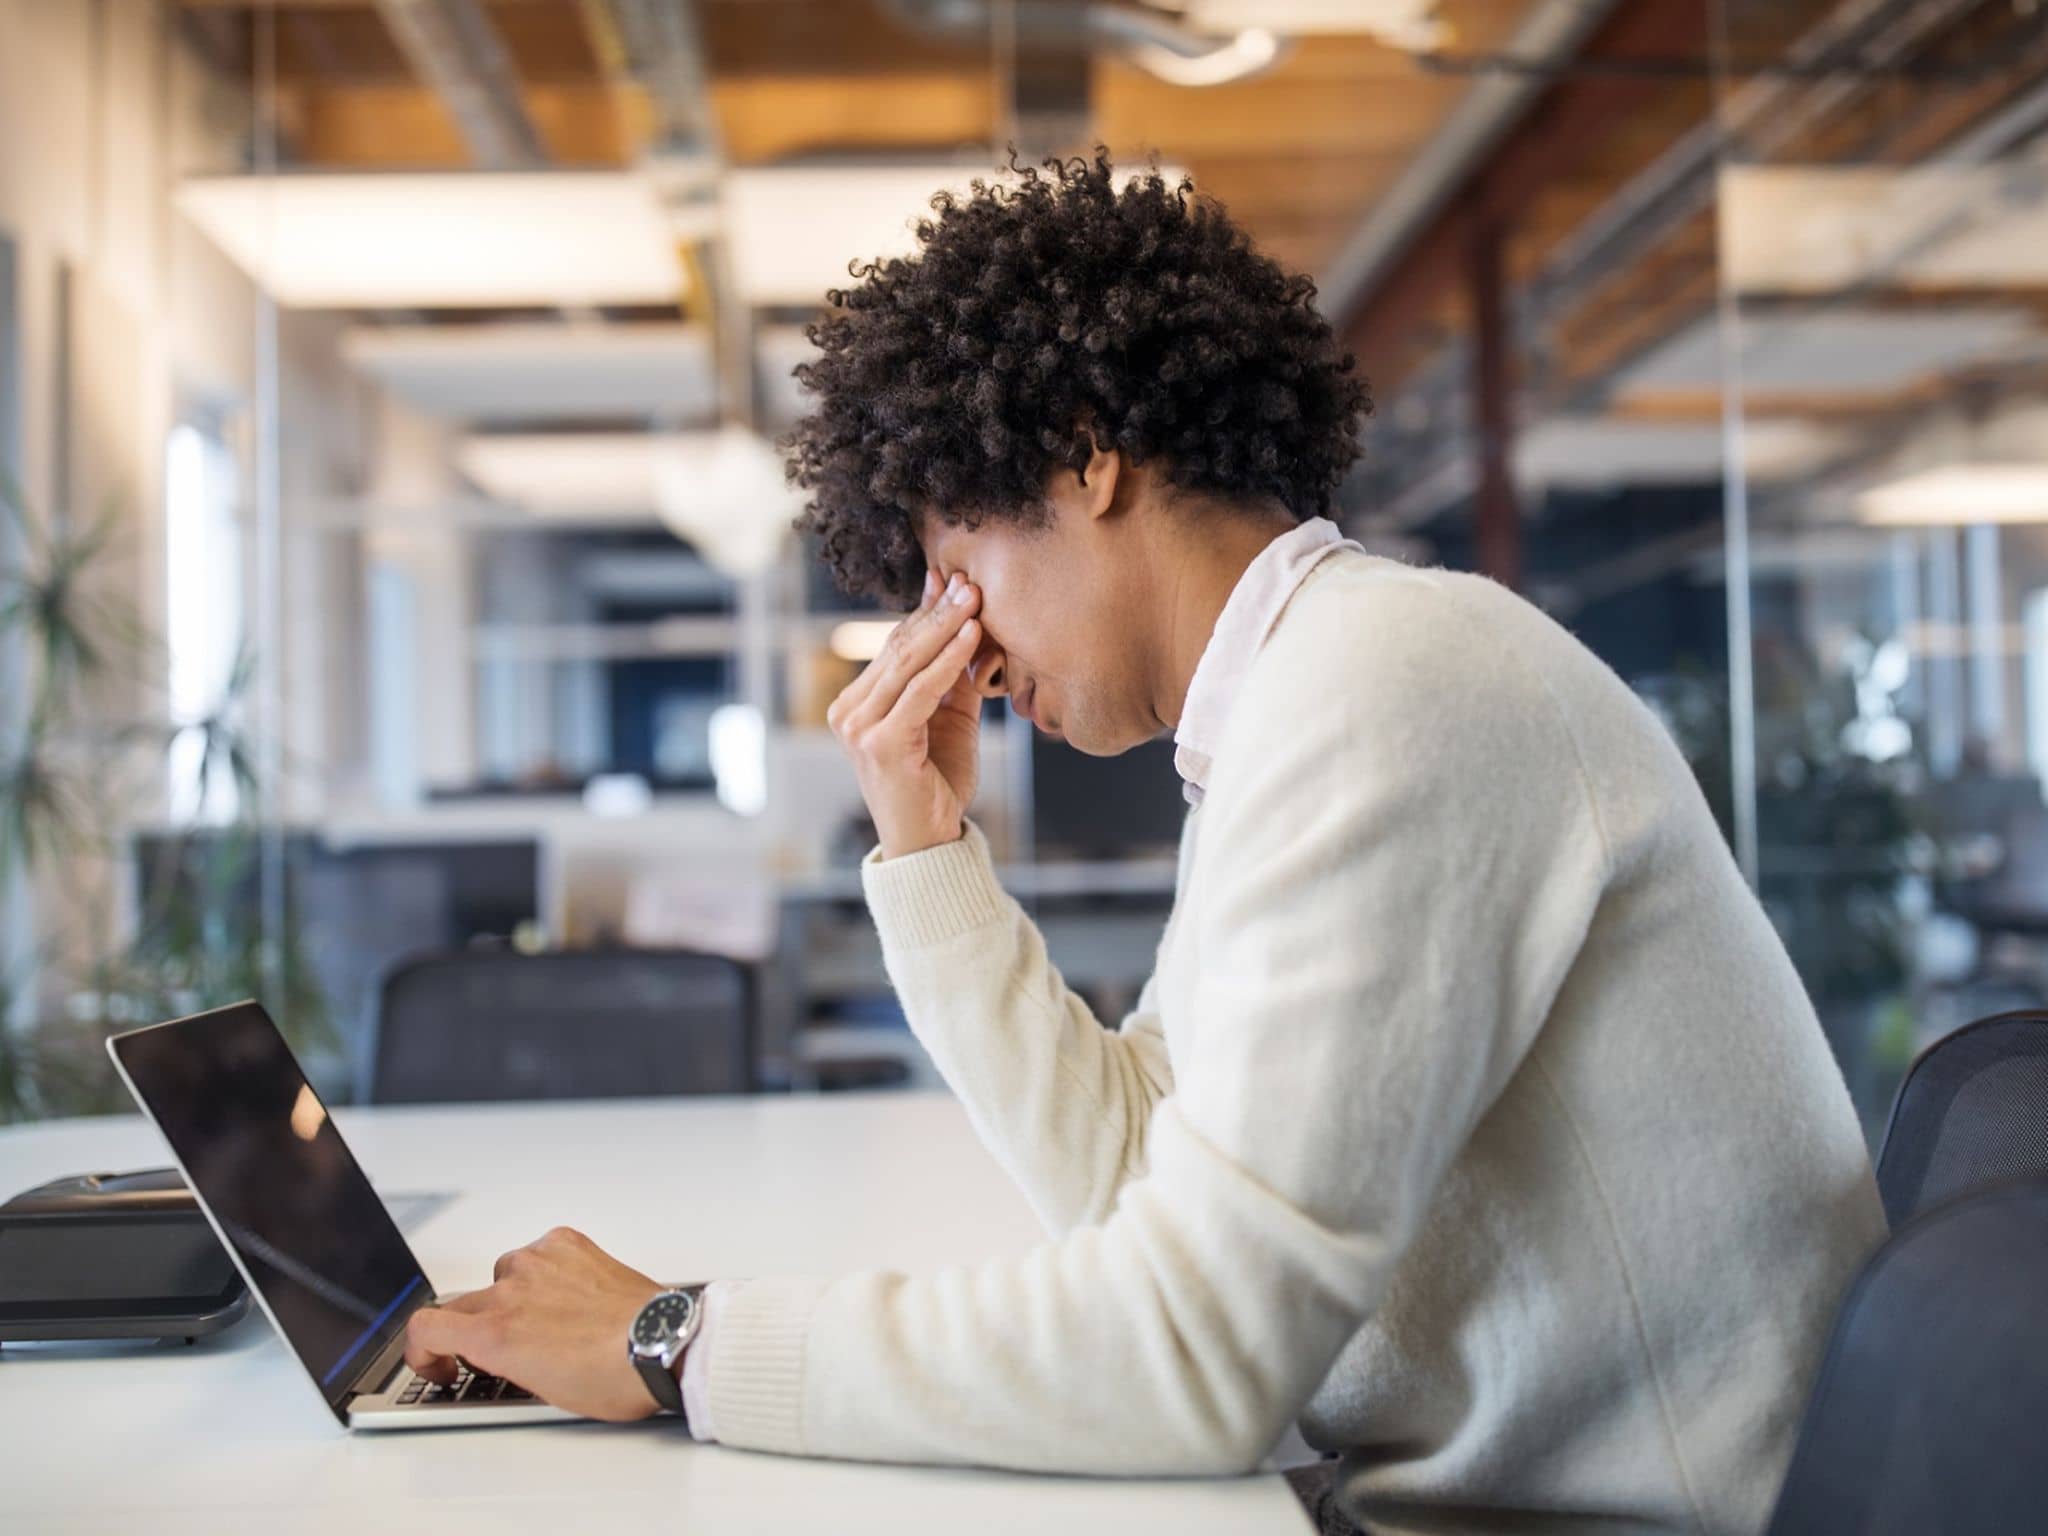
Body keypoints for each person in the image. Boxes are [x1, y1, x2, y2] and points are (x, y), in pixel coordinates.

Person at [405, 150, 1885, 1535]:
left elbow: (1195, 1358)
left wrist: (679, 1342)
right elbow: (1133, 1180)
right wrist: (929, 856)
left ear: (1086, 456)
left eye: (953, 567)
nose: (954, 646)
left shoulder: (1394, 686)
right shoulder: (1297, 705)